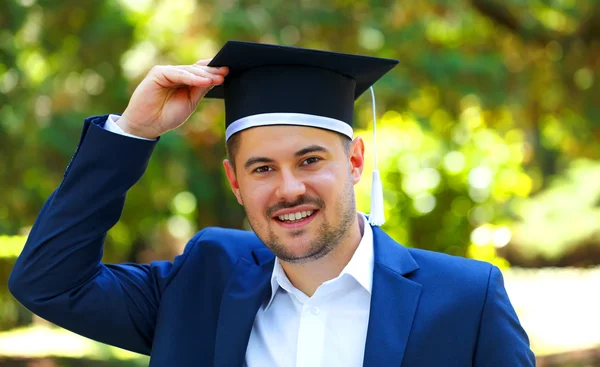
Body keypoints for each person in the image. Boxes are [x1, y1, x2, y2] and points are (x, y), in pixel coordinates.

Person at [9, 41, 535, 366]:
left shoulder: (467, 301)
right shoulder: (203, 281)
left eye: (310, 161)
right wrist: (132, 132)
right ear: (234, 182)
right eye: (262, 168)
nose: (288, 189)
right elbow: (48, 282)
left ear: (354, 161)